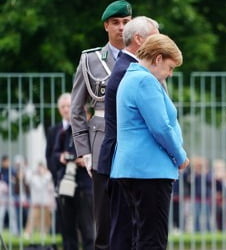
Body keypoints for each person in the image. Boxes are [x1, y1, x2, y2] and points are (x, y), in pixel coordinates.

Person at [110, 34, 190, 249]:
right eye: (170, 67)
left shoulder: (130, 77)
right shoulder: (145, 80)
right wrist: (180, 156)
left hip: (132, 168)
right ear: (158, 59)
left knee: (140, 235)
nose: (170, 74)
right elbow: (161, 127)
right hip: (150, 170)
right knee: (153, 239)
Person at [70, 1, 132, 249]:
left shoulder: (144, 56)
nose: (121, 28)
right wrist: (83, 151)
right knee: (104, 221)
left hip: (133, 141)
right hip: (100, 143)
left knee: (133, 217)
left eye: (126, 22)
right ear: (106, 26)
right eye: (116, 23)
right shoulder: (91, 59)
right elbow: (76, 109)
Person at [98, 16, 159, 249]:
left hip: (119, 159)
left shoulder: (126, 67)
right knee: (125, 232)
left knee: (126, 229)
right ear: (139, 39)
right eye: (155, 38)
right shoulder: (130, 71)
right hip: (123, 160)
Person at [53, 93, 94, 250]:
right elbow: (56, 153)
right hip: (67, 184)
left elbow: (96, 154)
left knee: (88, 230)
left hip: (85, 186)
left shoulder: (91, 129)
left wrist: (85, 160)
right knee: (68, 229)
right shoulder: (65, 131)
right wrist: (63, 157)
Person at [45, 92, 71, 234]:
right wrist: (58, 176)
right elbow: (49, 156)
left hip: (82, 184)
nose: (66, 109)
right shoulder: (53, 131)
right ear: (59, 109)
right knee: (65, 224)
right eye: (63, 106)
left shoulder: (82, 127)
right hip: (61, 181)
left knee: (85, 225)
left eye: (69, 106)